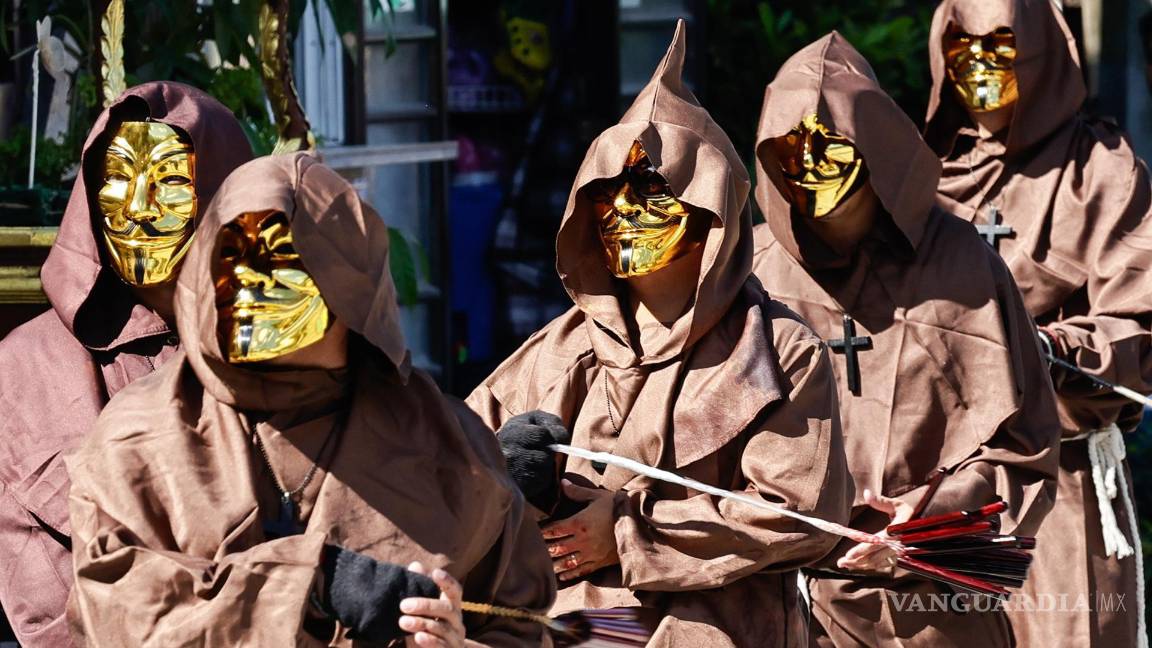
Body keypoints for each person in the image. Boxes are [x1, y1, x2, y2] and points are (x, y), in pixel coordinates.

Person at [64, 153, 555, 646]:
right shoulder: (137, 439)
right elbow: (117, 613)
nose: (248, 285)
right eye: (231, 256)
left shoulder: (453, 450)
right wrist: (308, 582)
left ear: (348, 286)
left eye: (280, 259)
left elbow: (525, 629)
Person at [466, 21, 852, 647]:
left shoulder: (779, 353)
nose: (624, 214)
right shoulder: (559, 351)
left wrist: (626, 532)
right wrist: (509, 469)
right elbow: (449, 462)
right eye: (608, 195)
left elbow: (798, 513)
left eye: (650, 191)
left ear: (710, 211)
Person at [750, 33, 1061, 646]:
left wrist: (933, 517)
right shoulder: (752, 273)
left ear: (875, 146)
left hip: (937, 611)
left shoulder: (962, 265)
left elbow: (1025, 444)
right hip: (786, 609)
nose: (810, 166)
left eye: (829, 146)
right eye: (791, 150)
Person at [925, 1, 1152, 644]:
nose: (979, 67)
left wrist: (1041, 349)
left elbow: (1139, 318)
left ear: (1039, 49)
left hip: (1060, 477)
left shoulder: (1100, 168)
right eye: (962, 49)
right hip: (942, 481)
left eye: (1000, 46)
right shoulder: (924, 174)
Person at [0, 82, 252, 647]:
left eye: (168, 181)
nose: (137, 209)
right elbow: (48, 603)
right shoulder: (26, 367)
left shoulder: (283, 351)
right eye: (117, 178)